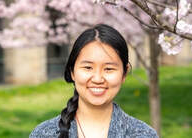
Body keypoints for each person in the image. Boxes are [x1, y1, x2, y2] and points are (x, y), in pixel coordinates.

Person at [30, 24, 158, 138]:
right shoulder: (44, 134)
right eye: (88, 67)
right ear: (72, 71)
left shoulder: (143, 134)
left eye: (108, 69)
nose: (97, 79)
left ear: (124, 73)